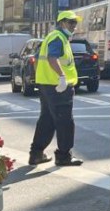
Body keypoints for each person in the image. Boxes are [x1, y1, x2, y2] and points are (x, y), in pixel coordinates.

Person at [29, 10, 84, 167]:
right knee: (65, 121)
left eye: (75, 22)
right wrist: (61, 77)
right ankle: (63, 156)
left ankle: (36, 154)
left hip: (48, 86)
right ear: (62, 23)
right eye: (71, 22)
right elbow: (52, 58)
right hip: (58, 87)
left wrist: (41, 80)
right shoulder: (58, 38)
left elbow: (38, 59)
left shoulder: (53, 37)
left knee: (47, 120)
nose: (74, 25)